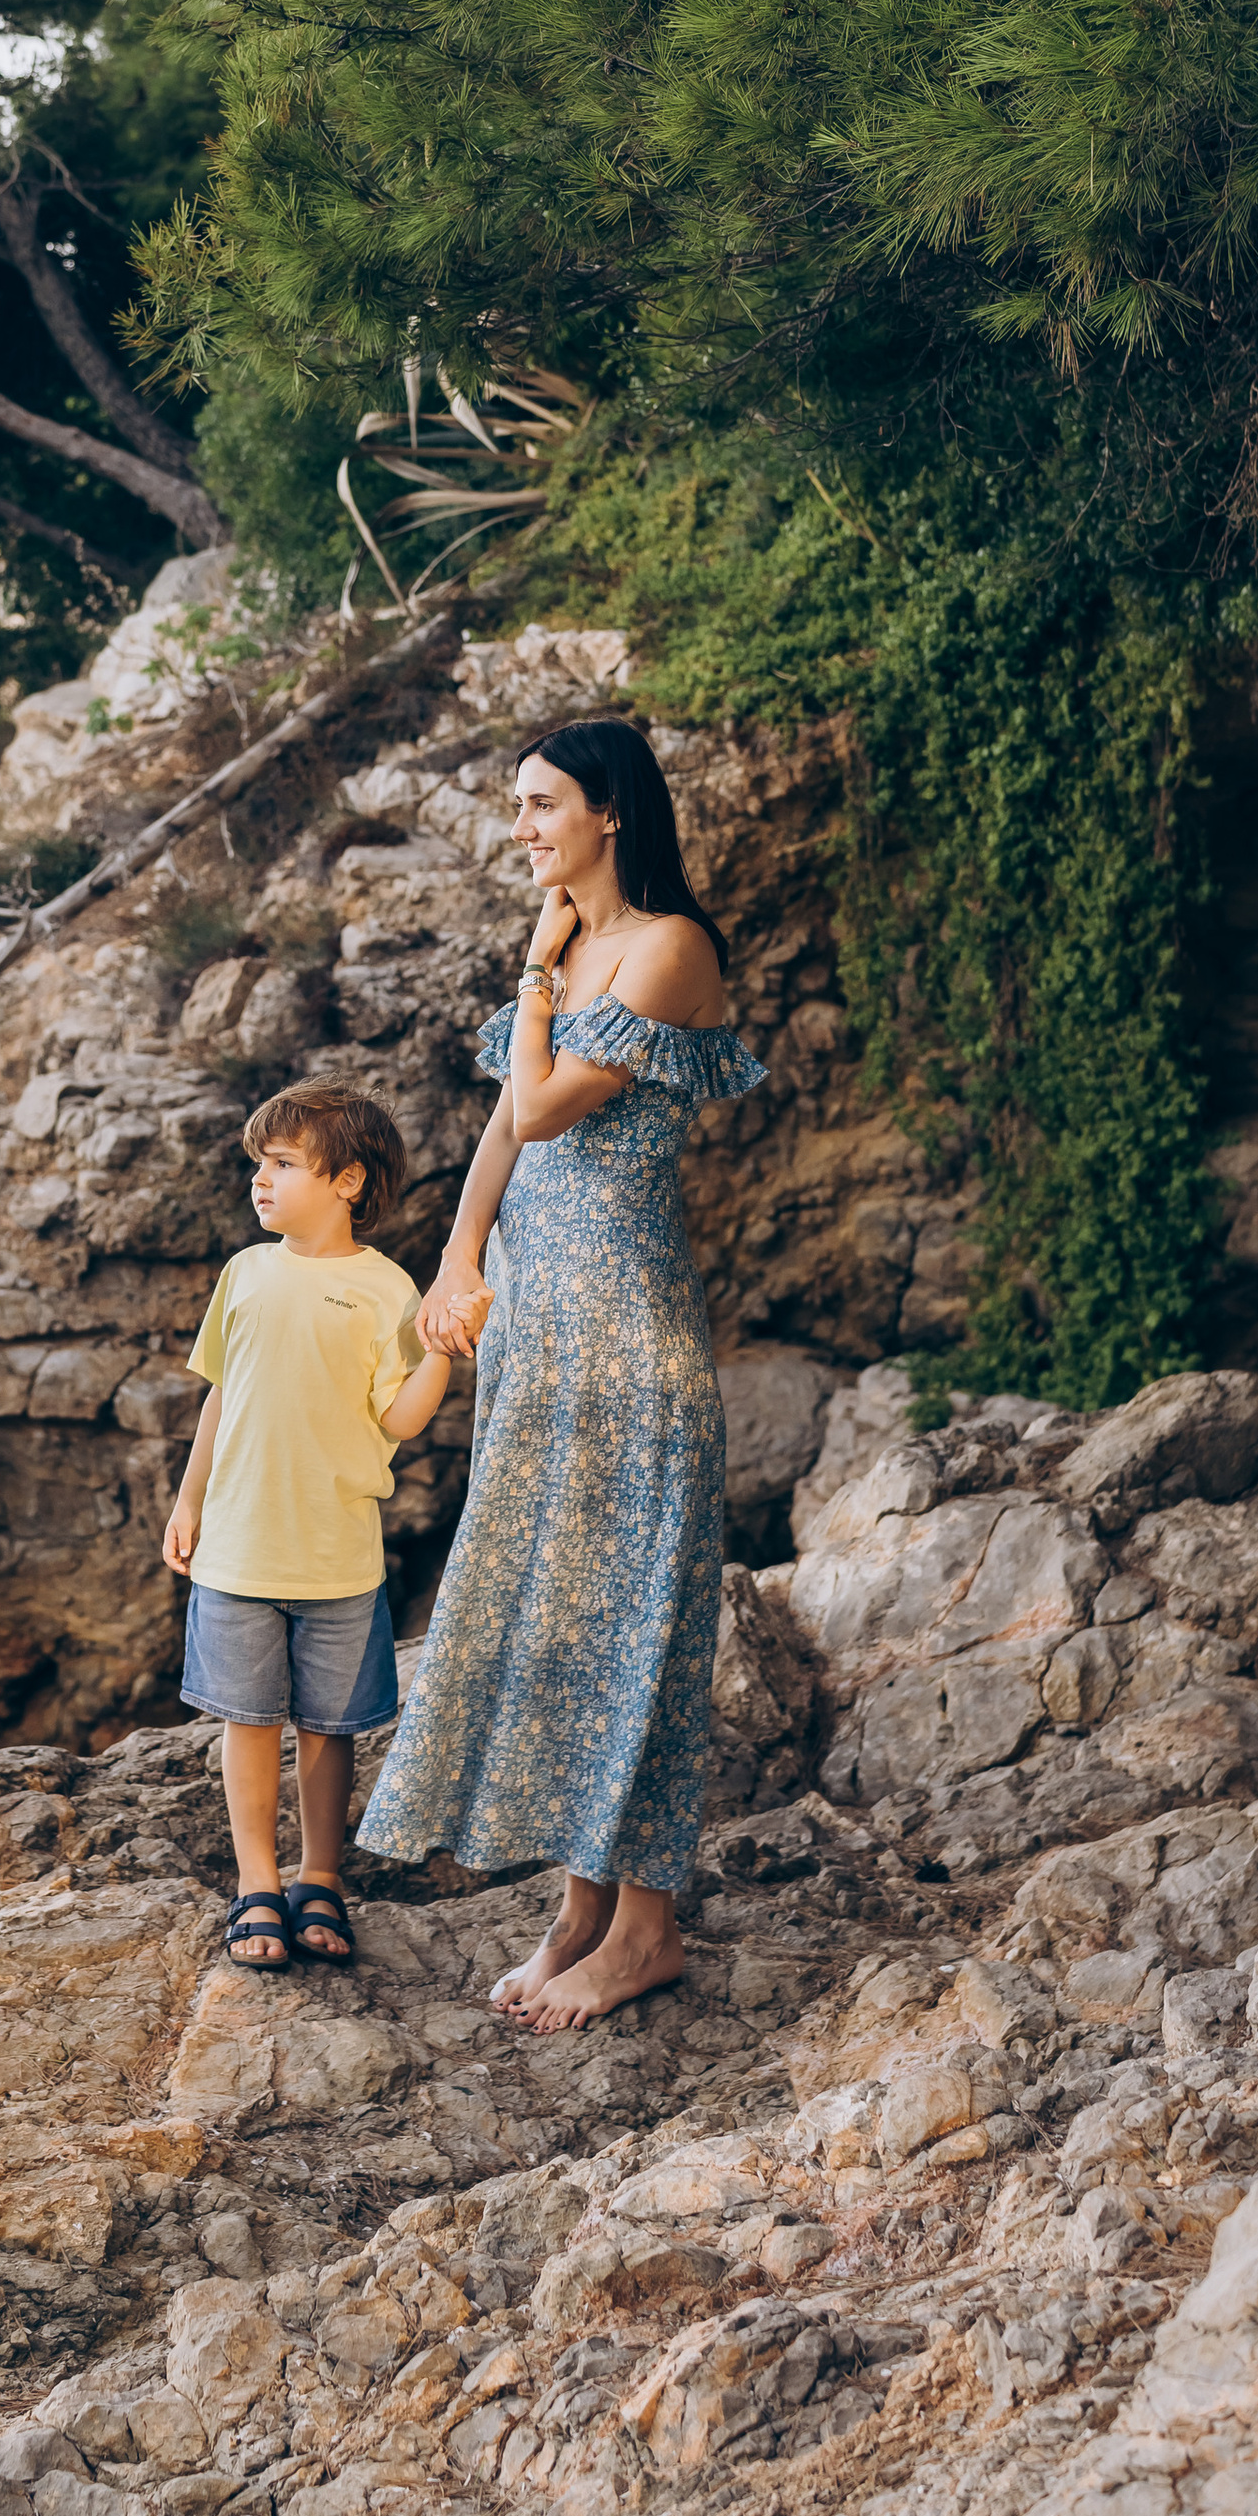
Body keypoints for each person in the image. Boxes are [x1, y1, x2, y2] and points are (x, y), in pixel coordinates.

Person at [358, 718, 766, 2030]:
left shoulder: (667, 947)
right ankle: (583, 1912)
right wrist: (454, 1259)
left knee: (632, 1612)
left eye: (541, 804)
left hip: (626, 1324)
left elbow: (542, 1107)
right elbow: (500, 1130)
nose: (522, 826)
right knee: (567, 1610)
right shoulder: (579, 947)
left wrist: (537, 969)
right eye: (518, 805)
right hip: (537, 1313)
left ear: (610, 812)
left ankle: (646, 1929)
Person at [162, 1080, 470, 1972]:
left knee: (329, 1730)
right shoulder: (245, 1272)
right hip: (238, 1548)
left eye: (283, 1163)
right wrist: (189, 1500)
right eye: (259, 1164)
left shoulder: (386, 1289)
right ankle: (257, 1882)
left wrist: (441, 1353)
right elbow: (223, 1395)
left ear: (348, 1181)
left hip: (339, 1556)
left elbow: (399, 1417)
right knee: (250, 1722)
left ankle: (319, 1877)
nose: (261, 1180)